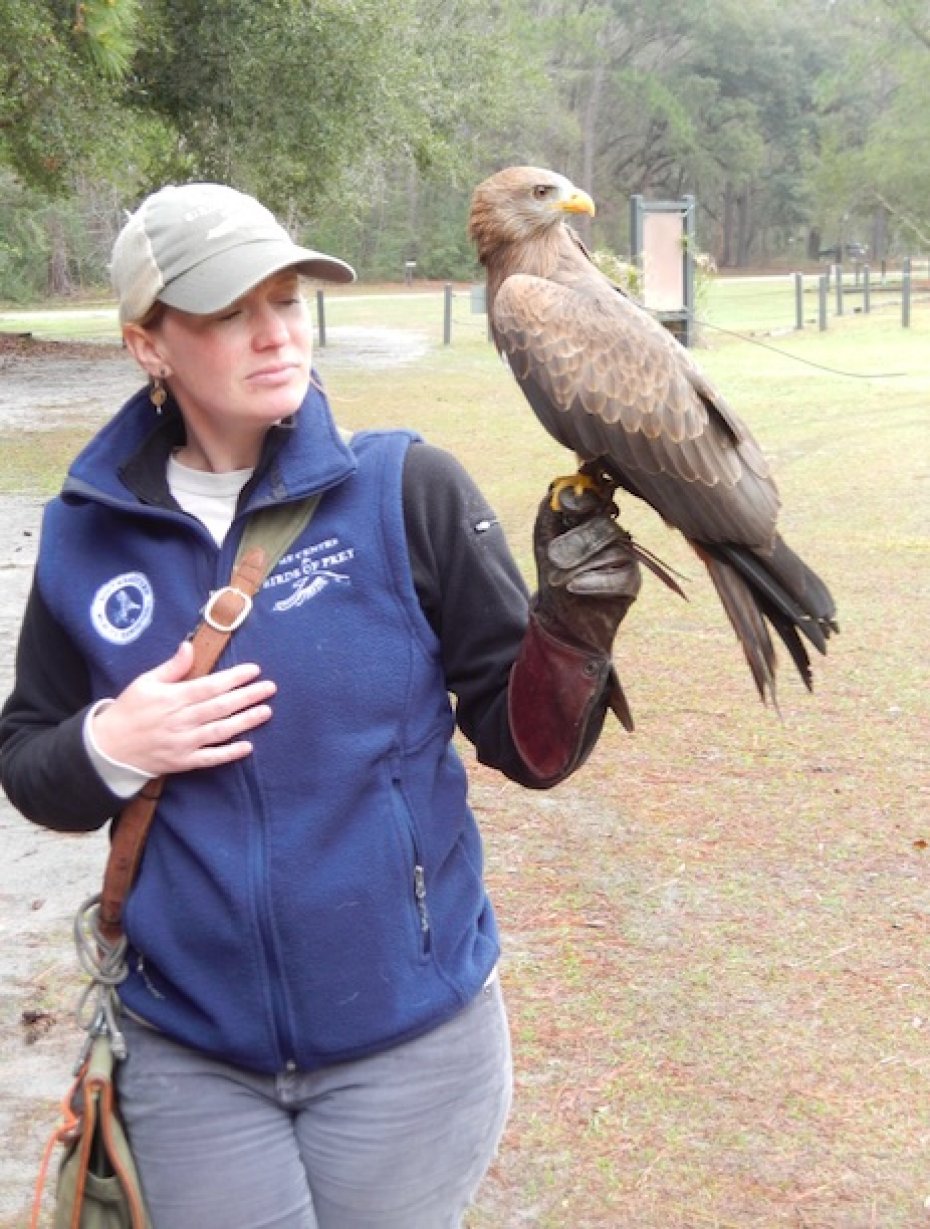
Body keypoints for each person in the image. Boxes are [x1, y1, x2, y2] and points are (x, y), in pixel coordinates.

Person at [0, 183, 640, 1229]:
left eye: (288, 299)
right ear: (146, 345)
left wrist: (573, 631)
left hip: (411, 1047)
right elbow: (30, 762)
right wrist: (113, 742)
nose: (274, 333)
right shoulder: (86, 531)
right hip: (189, 1054)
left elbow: (529, 749)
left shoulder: (406, 488)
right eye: (225, 310)